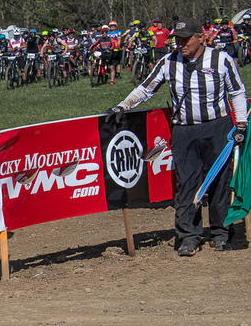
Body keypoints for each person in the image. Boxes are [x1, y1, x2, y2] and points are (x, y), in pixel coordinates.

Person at [104, 18, 247, 256]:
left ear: (200, 37)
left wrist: (240, 124)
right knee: (187, 183)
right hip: (184, 130)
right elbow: (146, 88)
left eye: (185, 39)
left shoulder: (221, 60)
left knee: (220, 181)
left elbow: (237, 91)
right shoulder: (168, 61)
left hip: (218, 127)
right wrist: (123, 106)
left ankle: (222, 233)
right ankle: (189, 237)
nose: (180, 44)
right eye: (177, 40)